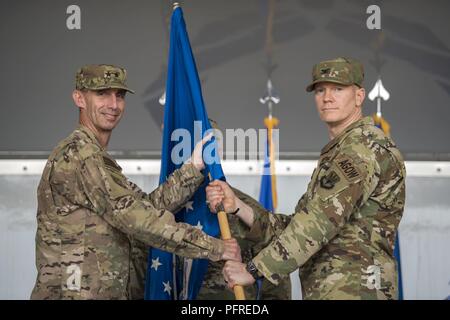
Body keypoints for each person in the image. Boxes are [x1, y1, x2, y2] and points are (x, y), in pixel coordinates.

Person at [31, 64, 240, 300]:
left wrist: (194, 168)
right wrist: (215, 248)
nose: (113, 104)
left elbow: (145, 208)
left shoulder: (95, 157)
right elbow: (139, 221)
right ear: (79, 98)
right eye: (102, 94)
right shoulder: (80, 156)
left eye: (119, 96)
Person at [207, 57, 406, 300]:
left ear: (359, 96)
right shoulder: (341, 151)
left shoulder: (362, 149)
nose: (327, 97)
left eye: (338, 89)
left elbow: (317, 224)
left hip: (356, 291)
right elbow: (297, 226)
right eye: (320, 90)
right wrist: (238, 207)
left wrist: (252, 270)